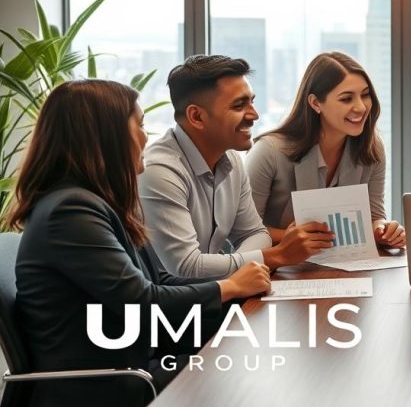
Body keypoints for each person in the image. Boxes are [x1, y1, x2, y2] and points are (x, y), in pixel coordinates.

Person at [6, 80, 270, 407]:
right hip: (104, 384)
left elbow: (158, 281)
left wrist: (237, 292)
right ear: (106, 136)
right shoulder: (70, 212)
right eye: (141, 124)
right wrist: (227, 288)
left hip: (132, 364)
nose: (148, 136)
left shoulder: (99, 203)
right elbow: (141, 301)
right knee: (246, 377)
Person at [140, 55, 334, 279]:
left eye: (252, 101)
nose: (254, 115)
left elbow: (254, 232)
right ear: (197, 117)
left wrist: (242, 271)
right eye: (239, 105)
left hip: (214, 293)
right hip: (169, 305)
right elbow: (186, 266)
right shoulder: (159, 171)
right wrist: (275, 256)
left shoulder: (231, 158)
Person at [247, 52, 405, 248]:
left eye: (365, 95)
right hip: (279, 268)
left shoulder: (372, 147)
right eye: (346, 99)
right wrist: (289, 236)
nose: (361, 107)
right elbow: (245, 231)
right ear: (315, 103)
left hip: (345, 266)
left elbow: (375, 217)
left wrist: (384, 230)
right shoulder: (268, 152)